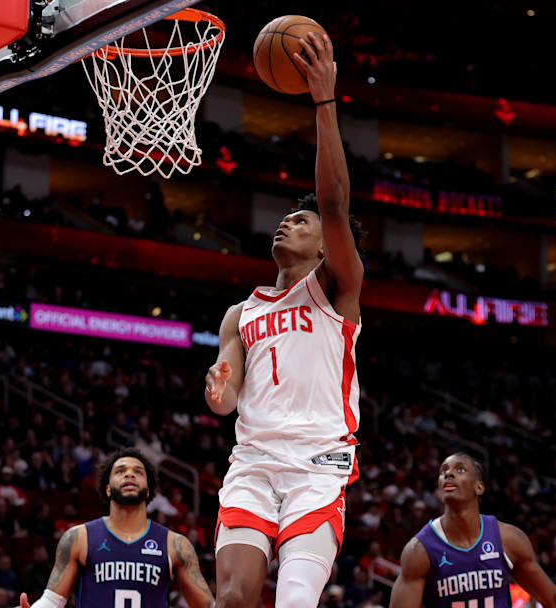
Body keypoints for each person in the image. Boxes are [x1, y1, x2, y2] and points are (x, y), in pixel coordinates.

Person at [203, 31, 364, 608]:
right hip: (253, 463)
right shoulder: (239, 312)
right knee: (232, 600)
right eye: (286, 218)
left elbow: (335, 203)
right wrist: (219, 388)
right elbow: (224, 400)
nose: (286, 224)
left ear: (325, 246)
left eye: (302, 221)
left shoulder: (336, 289)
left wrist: (324, 101)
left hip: (317, 465)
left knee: (295, 600)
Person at [15, 448, 213, 608]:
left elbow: (207, 606)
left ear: (148, 490)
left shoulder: (176, 544)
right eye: (120, 471)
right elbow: (52, 601)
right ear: (108, 488)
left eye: (138, 472)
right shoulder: (79, 537)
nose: (129, 474)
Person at [389, 454, 556, 608]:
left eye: (459, 469)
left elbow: (553, 600)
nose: (448, 474)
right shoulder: (419, 550)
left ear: (479, 487)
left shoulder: (508, 539)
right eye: (443, 471)